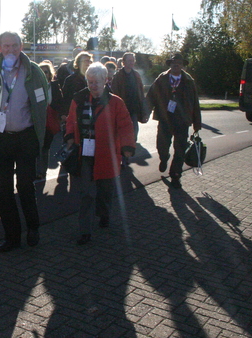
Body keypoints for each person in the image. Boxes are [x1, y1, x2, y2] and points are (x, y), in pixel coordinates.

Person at [0, 31, 49, 252]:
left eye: (14, 45)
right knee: (3, 190)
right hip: (0, 138)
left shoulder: (34, 71)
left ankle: (33, 227)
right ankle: (12, 237)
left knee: (24, 185)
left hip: (26, 137)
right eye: (6, 46)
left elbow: (43, 102)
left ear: (21, 47)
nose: (10, 49)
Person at [64, 62, 135, 245]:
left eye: (96, 82)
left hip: (107, 154)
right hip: (85, 153)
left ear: (106, 81)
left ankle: (104, 214)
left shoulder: (116, 102)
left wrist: (127, 147)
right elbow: (71, 120)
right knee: (86, 193)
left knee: (105, 190)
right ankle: (85, 230)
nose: (93, 85)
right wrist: (70, 136)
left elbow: (126, 125)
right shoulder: (79, 99)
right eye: (90, 81)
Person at [146, 53, 201, 189]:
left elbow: (195, 103)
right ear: (170, 64)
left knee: (180, 149)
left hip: (182, 121)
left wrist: (197, 123)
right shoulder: (162, 79)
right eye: (173, 62)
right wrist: (145, 113)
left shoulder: (189, 81)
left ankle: (175, 175)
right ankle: (164, 158)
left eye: (179, 62)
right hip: (165, 119)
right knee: (162, 145)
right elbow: (151, 96)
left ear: (182, 65)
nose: (176, 65)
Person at [110, 52, 147, 141]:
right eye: (129, 60)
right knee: (122, 129)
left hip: (134, 108)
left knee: (134, 129)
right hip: (122, 108)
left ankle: (131, 145)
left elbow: (141, 92)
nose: (132, 62)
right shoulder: (118, 76)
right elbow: (114, 92)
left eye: (133, 60)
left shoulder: (136, 75)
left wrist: (144, 108)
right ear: (124, 62)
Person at [36, 60, 63, 179]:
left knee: (45, 147)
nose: (44, 74)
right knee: (36, 147)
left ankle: (42, 171)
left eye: (46, 72)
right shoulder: (34, 87)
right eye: (41, 71)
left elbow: (59, 103)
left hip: (49, 121)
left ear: (49, 73)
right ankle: (35, 170)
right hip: (37, 121)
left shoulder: (54, 86)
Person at [61, 50, 93, 116]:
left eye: (90, 61)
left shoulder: (94, 79)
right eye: (86, 61)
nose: (88, 63)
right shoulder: (70, 80)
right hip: (75, 113)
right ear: (78, 63)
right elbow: (65, 98)